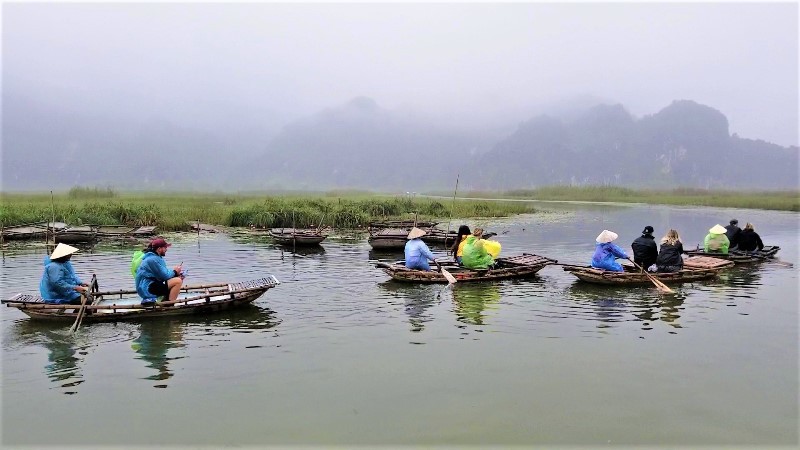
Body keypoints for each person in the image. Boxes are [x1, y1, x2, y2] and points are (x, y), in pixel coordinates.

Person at [135, 238, 183, 305]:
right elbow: (165, 276)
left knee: (177, 278)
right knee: (178, 281)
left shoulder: (153, 257)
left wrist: (175, 274)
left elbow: (162, 275)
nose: (166, 249)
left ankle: (165, 301)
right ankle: (169, 305)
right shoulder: (152, 260)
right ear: (159, 249)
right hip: (147, 288)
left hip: (149, 285)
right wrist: (175, 271)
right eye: (165, 247)